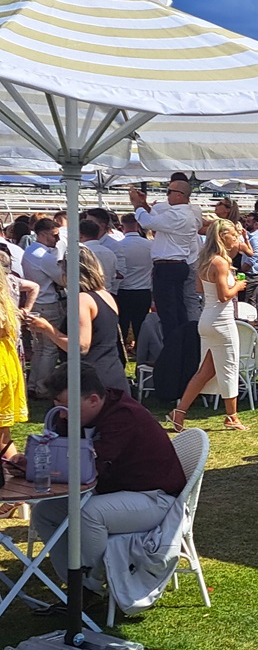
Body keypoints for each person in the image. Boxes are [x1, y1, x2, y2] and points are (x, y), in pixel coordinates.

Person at [26, 363, 186, 594]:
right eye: (58, 406)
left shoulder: (123, 417)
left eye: (67, 407)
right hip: (116, 491)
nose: (62, 414)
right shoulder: (83, 414)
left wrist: (47, 463)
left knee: (89, 513)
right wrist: (32, 463)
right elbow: (65, 457)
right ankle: (75, 587)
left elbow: (88, 468)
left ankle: (94, 584)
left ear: (93, 399)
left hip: (155, 498)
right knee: (45, 512)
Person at [165, 220, 249, 433]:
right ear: (223, 237)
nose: (236, 239)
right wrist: (238, 286)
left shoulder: (205, 260)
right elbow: (224, 296)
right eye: (233, 235)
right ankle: (232, 416)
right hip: (221, 319)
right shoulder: (220, 262)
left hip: (207, 318)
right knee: (229, 366)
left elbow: (200, 288)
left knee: (205, 371)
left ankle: (180, 411)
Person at [26, 248, 130, 395]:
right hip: (113, 372)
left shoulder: (82, 300)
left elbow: (80, 348)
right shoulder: (105, 295)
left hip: (91, 381)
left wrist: (47, 329)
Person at [130, 180, 201, 340]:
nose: (167, 195)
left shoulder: (177, 214)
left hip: (168, 266)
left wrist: (137, 205)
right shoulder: (183, 214)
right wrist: (145, 205)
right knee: (178, 309)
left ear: (179, 195)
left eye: (169, 192)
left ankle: (172, 347)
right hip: (176, 264)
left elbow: (148, 222)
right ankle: (181, 345)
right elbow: (158, 220)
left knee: (168, 312)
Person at [21, 217, 65, 396]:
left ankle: (33, 385)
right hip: (48, 302)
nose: (57, 239)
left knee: (40, 347)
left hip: (37, 301)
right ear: (43, 234)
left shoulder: (30, 251)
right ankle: (42, 387)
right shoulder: (43, 256)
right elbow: (62, 279)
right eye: (54, 235)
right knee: (50, 348)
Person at [0, 260, 26, 465]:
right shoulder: (5, 301)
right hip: (5, 361)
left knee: (2, 432)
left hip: (3, 364)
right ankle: (17, 476)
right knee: (2, 431)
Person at [115, 213, 153, 349]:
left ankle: (121, 352)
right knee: (141, 325)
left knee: (122, 325)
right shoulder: (149, 245)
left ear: (121, 227)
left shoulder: (118, 246)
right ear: (138, 225)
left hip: (124, 291)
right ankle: (142, 351)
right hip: (143, 291)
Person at [79, 219, 119, 293]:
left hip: (86, 295)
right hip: (107, 294)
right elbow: (113, 277)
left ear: (81, 236)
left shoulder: (80, 253)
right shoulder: (110, 253)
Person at [239, 212, 258, 307]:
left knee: (244, 302)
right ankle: (252, 319)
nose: (246, 223)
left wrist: (244, 268)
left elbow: (253, 257)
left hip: (251, 275)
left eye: (249, 221)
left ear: (256, 224)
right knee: (251, 300)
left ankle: (246, 320)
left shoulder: (256, 239)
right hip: (251, 274)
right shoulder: (252, 237)